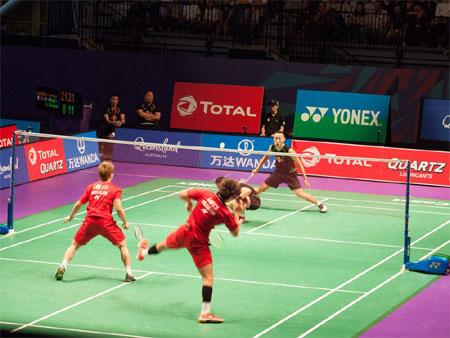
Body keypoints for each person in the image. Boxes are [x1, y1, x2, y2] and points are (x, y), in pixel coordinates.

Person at [136, 177, 244, 323]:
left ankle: (143, 252)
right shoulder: (225, 213)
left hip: (184, 232)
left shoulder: (205, 194)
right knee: (207, 277)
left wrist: (189, 203)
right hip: (198, 243)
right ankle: (205, 314)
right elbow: (235, 232)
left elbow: (182, 194)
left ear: (220, 188)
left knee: (163, 245)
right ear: (231, 196)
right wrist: (237, 214)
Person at [55, 161, 135, 282]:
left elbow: (78, 204)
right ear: (111, 175)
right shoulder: (115, 189)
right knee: (122, 245)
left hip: (90, 221)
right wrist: (125, 221)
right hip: (106, 222)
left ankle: (62, 266)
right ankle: (129, 273)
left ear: (99, 174)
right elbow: (118, 208)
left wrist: (71, 216)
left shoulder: (91, 187)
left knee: (74, 245)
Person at [252, 132, 327, 213]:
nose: (277, 140)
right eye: (275, 138)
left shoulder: (289, 151)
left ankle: (319, 204)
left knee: (299, 193)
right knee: (262, 187)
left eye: (279, 138)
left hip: (290, 174)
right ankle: (247, 196)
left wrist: (305, 178)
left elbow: (299, 164)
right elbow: (265, 158)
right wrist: (257, 169)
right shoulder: (272, 147)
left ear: (283, 139)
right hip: (278, 173)